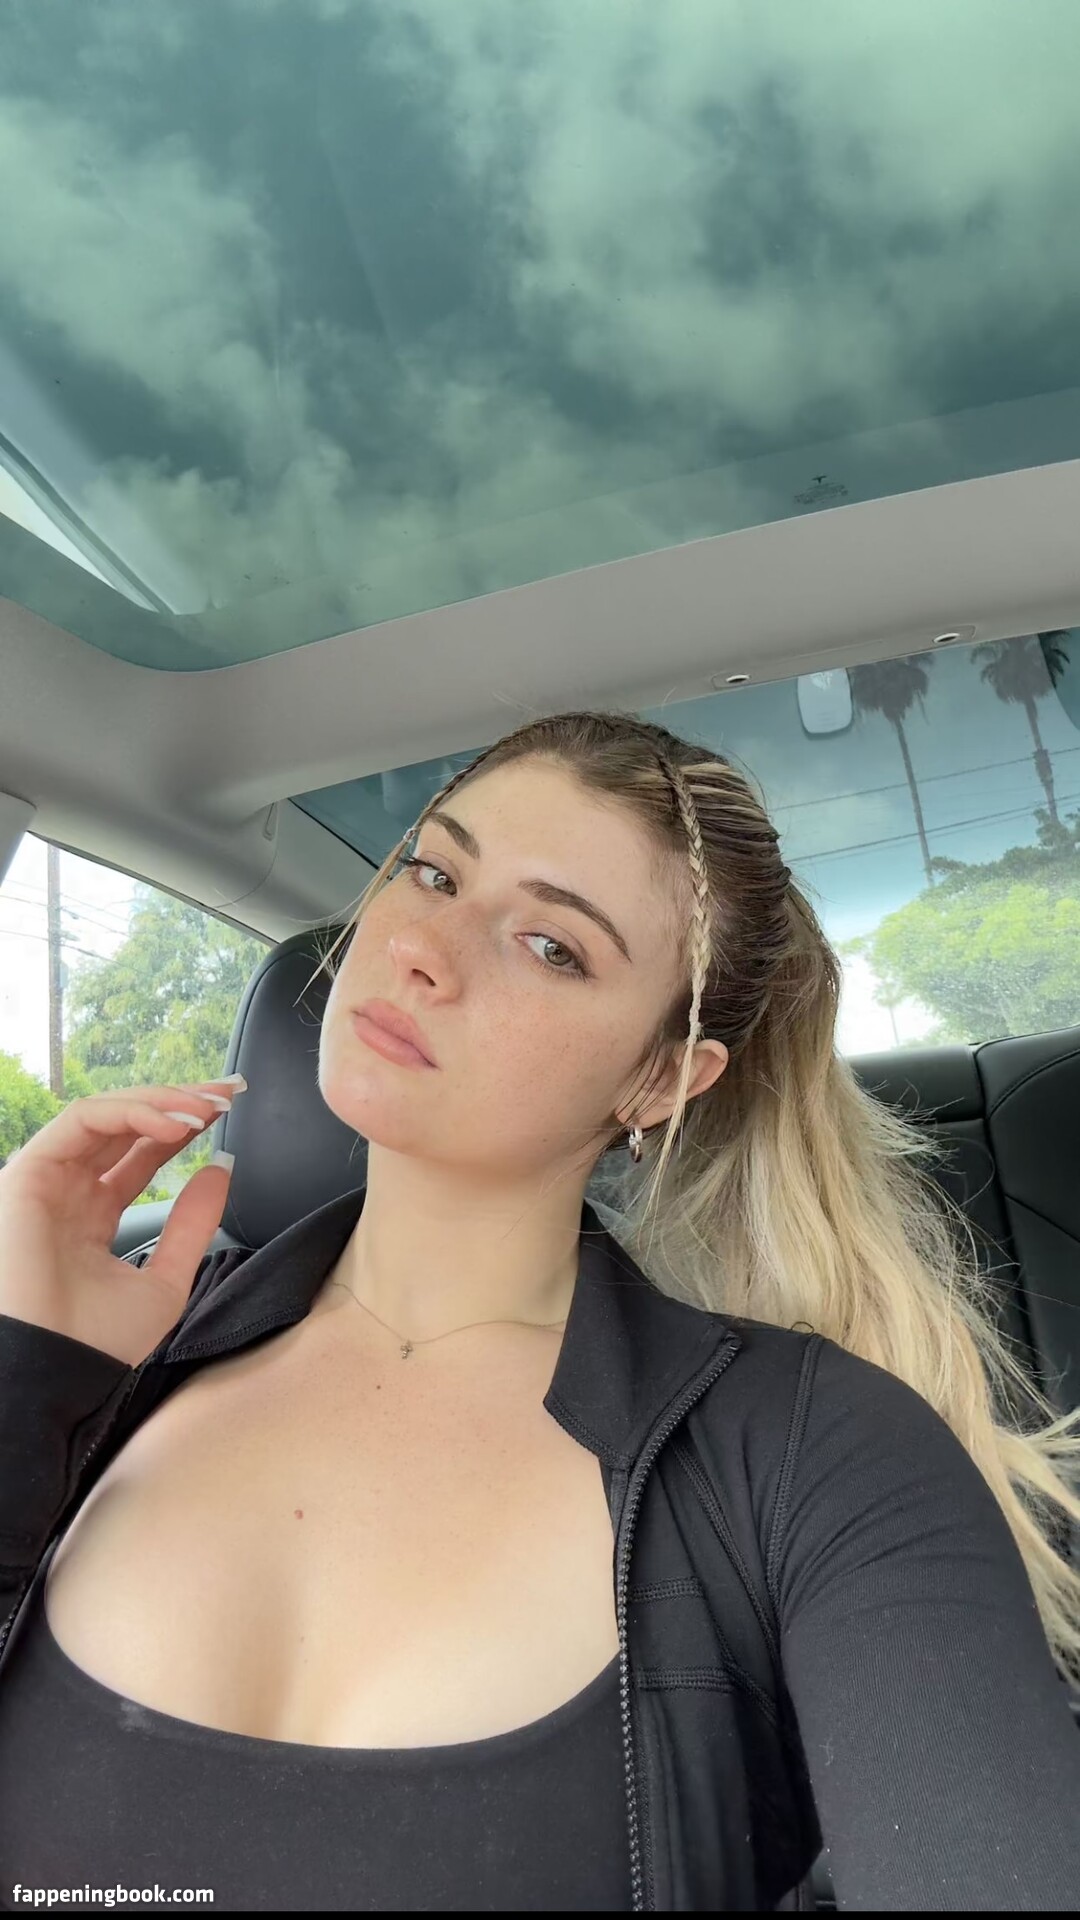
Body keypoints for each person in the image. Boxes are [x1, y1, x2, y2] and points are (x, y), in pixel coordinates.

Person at [0, 707, 1078, 1912]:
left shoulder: (816, 1456)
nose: (424, 947)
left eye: (552, 945)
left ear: (660, 1079)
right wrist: (26, 1384)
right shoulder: (97, 1369)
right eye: (434, 872)